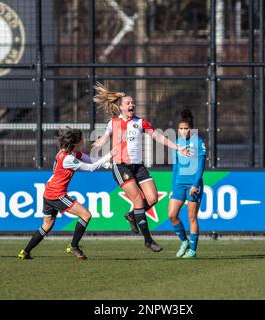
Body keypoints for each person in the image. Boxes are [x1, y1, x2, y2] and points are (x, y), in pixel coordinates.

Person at [91, 82, 189, 252]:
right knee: (137, 199)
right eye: (128, 103)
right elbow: (105, 138)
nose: (132, 105)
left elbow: (158, 136)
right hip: (121, 166)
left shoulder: (140, 122)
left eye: (133, 103)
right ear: (121, 107)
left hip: (138, 166)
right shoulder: (113, 123)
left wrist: (178, 147)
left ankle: (132, 215)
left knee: (152, 199)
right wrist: (96, 145)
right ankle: (148, 240)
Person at [18, 128, 116, 260]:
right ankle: (73, 246)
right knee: (86, 215)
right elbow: (91, 168)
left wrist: (106, 165)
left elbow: (90, 160)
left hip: (48, 193)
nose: (84, 140)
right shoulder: (69, 158)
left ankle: (25, 252)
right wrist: (110, 155)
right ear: (76, 142)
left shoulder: (67, 153)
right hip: (57, 194)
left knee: (47, 225)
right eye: (82, 138)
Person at [168, 110, 206, 258]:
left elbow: (201, 166)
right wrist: (173, 187)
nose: (183, 131)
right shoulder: (177, 143)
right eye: (181, 128)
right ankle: (184, 241)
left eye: (186, 128)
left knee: (192, 218)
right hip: (179, 185)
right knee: (172, 215)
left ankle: (193, 250)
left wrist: (195, 184)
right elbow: (175, 167)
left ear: (191, 128)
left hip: (192, 185)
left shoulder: (199, 142)